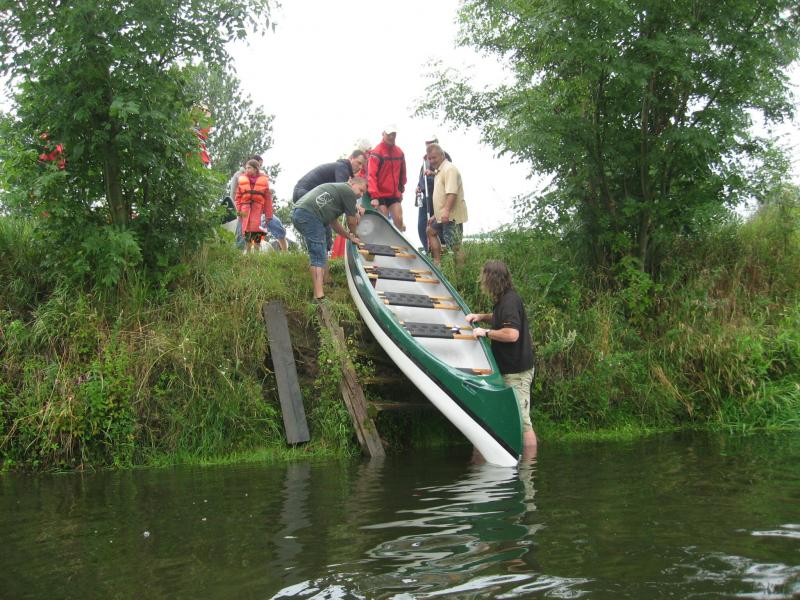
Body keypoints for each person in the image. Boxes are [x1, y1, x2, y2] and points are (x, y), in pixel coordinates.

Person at [466, 260, 537, 456]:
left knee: (523, 422)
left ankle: (530, 466)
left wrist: (486, 333)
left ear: (492, 279)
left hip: (517, 372)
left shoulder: (509, 301)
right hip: (508, 370)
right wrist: (481, 317)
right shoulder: (505, 300)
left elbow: (512, 334)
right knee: (512, 418)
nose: (482, 281)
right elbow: (501, 318)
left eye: (484, 277)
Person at [292, 178, 367, 302]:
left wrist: (349, 237)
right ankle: (319, 297)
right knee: (318, 255)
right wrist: (357, 236)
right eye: (361, 190)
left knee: (320, 250)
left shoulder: (338, 193)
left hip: (300, 213)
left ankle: (323, 285)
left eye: (363, 193)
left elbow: (333, 223)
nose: (361, 194)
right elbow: (351, 221)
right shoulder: (348, 191)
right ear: (352, 183)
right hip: (309, 214)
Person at [293, 150, 367, 253]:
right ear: (351, 158)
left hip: (305, 195)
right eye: (359, 163)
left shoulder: (344, 170)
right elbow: (345, 192)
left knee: (324, 224)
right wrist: (355, 209)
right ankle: (321, 255)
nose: (360, 167)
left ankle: (322, 254)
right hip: (304, 192)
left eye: (362, 165)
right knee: (323, 228)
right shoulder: (343, 167)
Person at [228, 155, 288, 251]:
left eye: (261, 165)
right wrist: (238, 211)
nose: (261, 167)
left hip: (259, 209)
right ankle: (240, 253)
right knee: (242, 231)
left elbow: (267, 197)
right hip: (244, 209)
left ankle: (284, 251)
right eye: (260, 164)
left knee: (273, 225)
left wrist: (268, 213)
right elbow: (234, 195)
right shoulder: (239, 176)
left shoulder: (262, 178)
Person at [425, 143, 467, 266]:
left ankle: (460, 273)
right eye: (430, 158)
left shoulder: (449, 169)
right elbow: (441, 195)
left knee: (455, 247)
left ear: (442, 155)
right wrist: (436, 215)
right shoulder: (439, 171)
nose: (432, 161)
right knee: (430, 231)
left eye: (434, 157)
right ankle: (437, 263)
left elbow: (452, 193)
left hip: (452, 215)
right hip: (442, 215)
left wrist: (446, 211)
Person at [367, 125, 406, 231]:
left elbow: (403, 173)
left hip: (394, 194)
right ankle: (382, 240)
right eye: (389, 134)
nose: (391, 137)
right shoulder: (376, 152)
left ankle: (399, 240)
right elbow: (371, 175)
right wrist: (374, 196)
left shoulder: (399, 152)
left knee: (399, 219)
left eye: (393, 134)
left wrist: (401, 190)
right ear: (383, 134)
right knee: (383, 221)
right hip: (379, 194)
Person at [415, 135, 452, 252]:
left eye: (432, 142)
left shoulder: (444, 156)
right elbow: (423, 176)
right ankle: (428, 250)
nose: (429, 144)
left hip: (438, 196)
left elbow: (444, 174)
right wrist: (419, 186)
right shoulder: (425, 159)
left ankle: (444, 250)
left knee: (438, 224)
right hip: (425, 197)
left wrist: (433, 173)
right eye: (427, 142)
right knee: (423, 225)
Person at [235, 159, 274, 253]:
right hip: (245, 209)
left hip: (257, 209)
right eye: (246, 168)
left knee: (256, 231)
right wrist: (238, 212)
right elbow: (238, 198)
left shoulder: (264, 182)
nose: (247, 170)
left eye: (249, 168)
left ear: (256, 169)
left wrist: (268, 215)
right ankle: (248, 253)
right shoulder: (242, 180)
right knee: (246, 231)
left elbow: (268, 200)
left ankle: (257, 253)